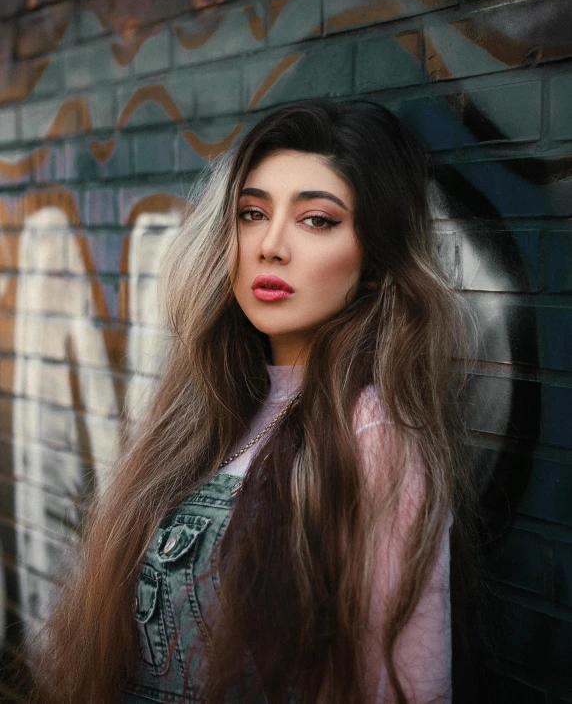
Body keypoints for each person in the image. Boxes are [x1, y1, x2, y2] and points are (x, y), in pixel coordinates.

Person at [31, 99, 478, 704]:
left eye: (317, 220)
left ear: (374, 263)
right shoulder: (203, 411)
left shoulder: (371, 432)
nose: (270, 245)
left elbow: (405, 686)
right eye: (251, 213)